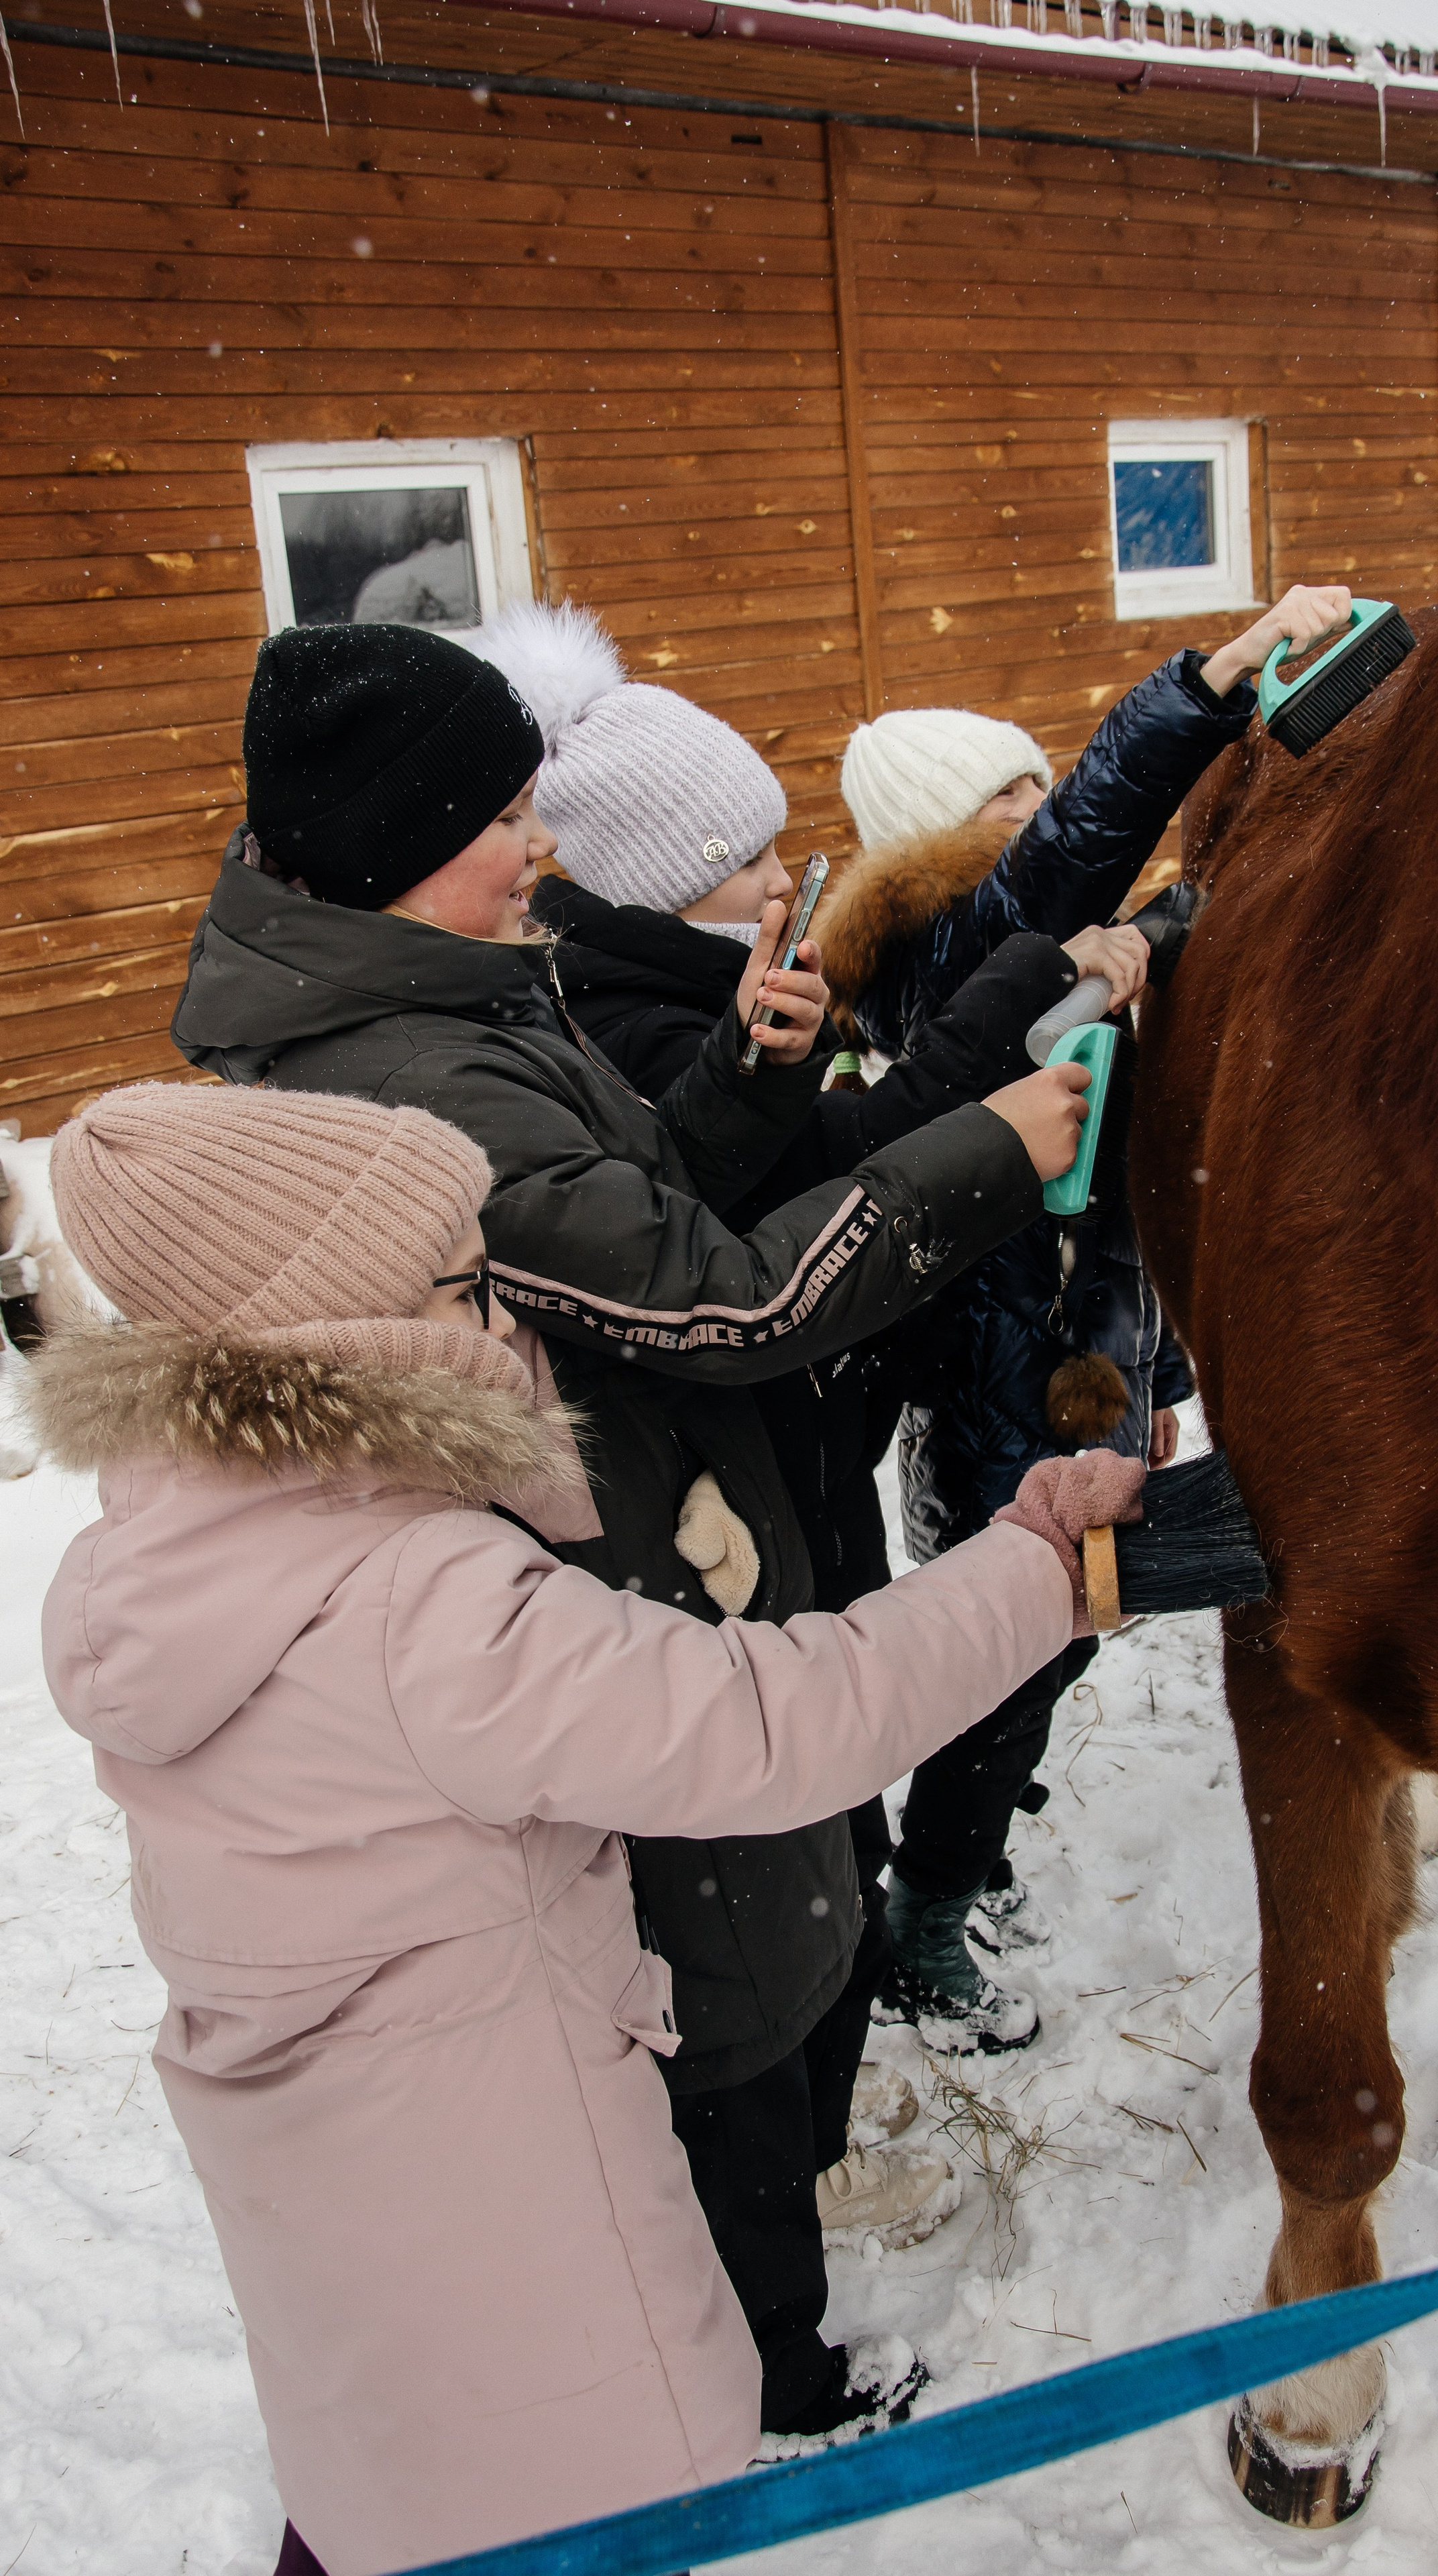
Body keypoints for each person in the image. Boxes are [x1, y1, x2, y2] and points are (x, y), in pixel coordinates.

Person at [168, 619, 1089, 2445]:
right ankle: (768, 2380)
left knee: (776, 1919)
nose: (541, 849)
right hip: (613, 1553)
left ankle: (762, 2290)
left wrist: (746, 1080)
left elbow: (630, 1203)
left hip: (669, 1504)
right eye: (505, 817)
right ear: (390, 839)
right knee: (734, 1984)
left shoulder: (444, 989)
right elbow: (722, 1300)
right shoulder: (410, 1080)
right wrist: (994, 1146)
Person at [26, 1079, 1144, 2576]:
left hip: (354, 2252)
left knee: (397, 2494)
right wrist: (1035, 1563)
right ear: (343, 1330)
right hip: (515, 2253)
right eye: (458, 1285)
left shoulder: (175, 1551)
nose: (502, 1318)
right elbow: (776, 1728)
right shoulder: (408, 1605)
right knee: (542, 2504)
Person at [472, 598, 1154, 2206]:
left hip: (844, 1418)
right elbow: (811, 1208)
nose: (785, 874)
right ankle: (845, 2047)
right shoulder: (668, 1014)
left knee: (907, 1711)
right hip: (778, 1445)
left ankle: (879, 1940)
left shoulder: (744, 988)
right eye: (742, 854)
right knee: (869, 1739)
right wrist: (1004, 1097)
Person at [822, 584, 1356, 2050]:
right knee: (1012, 1654)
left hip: (1070, 1368)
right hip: (1001, 1384)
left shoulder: (1034, 957)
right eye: (1011, 792)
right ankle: (923, 1923)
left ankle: (963, 1848)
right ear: (941, 833)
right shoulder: (946, 950)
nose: (1043, 800)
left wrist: (1153, 1371)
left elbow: (1120, 1205)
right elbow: (1077, 848)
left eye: (1037, 777)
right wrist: (1205, 689)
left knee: (1042, 1649)